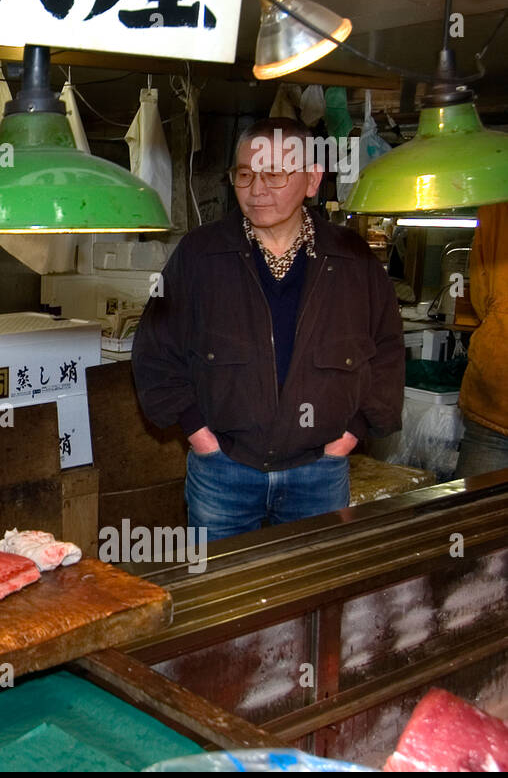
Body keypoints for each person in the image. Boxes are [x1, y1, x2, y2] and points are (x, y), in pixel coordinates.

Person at [132, 118, 405, 541]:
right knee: (221, 593)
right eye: (245, 175)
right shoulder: (201, 255)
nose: (256, 190)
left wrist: (351, 436)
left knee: (312, 592)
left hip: (320, 470)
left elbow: (387, 352)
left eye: (274, 174)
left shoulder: (354, 260)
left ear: (312, 179)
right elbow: (155, 350)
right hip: (223, 468)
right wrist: (199, 435)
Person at [456, 201, 508, 476]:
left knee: (474, 514)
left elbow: (481, 293)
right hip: (494, 400)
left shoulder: (497, 180)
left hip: (494, 390)